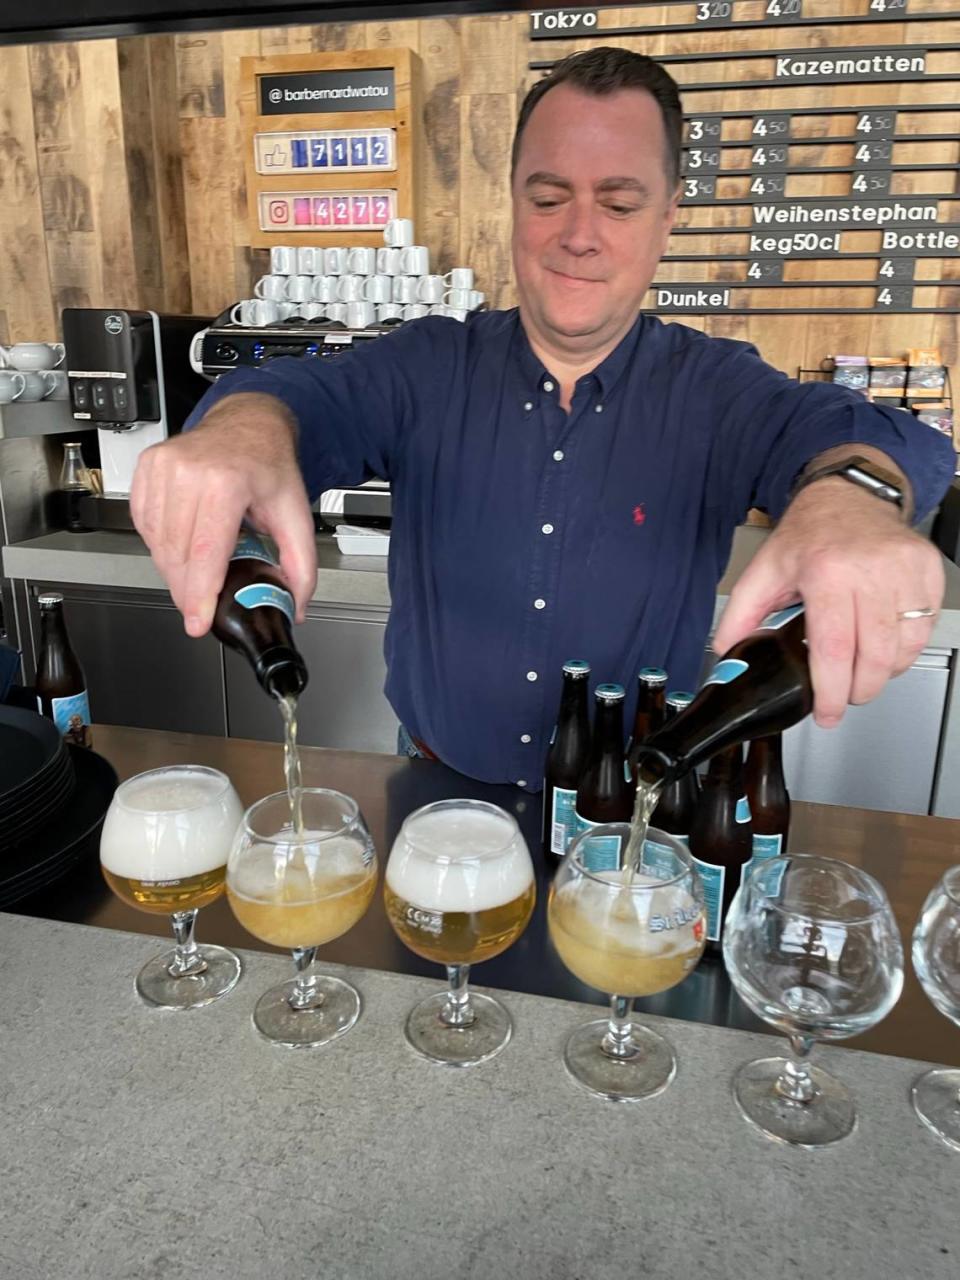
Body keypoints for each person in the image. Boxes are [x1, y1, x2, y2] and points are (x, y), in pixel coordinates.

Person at [131, 47, 954, 790]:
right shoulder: (427, 363)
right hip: (434, 785)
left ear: (670, 217)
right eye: (550, 195)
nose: (579, 235)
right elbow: (303, 397)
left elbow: (862, 435)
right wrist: (240, 431)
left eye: (621, 203)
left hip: (631, 796)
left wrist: (850, 497)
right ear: (515, 203)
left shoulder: (716, 389)